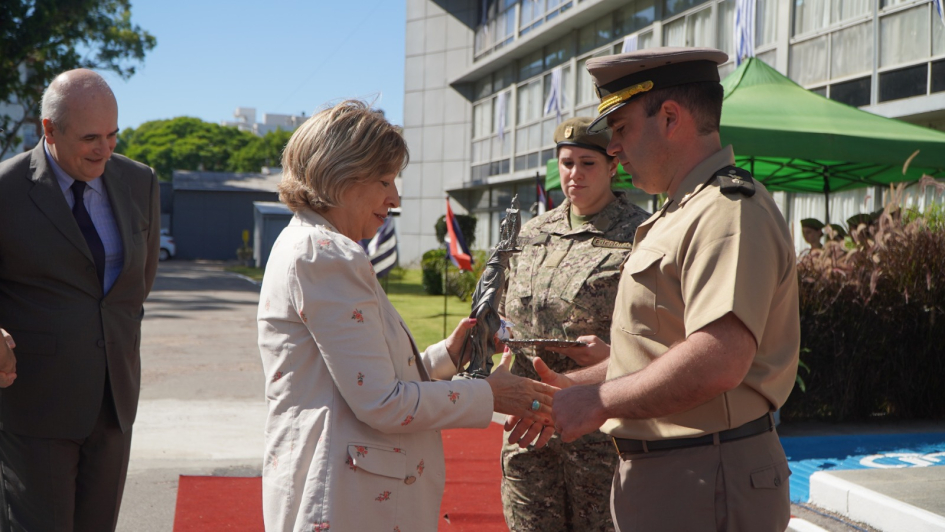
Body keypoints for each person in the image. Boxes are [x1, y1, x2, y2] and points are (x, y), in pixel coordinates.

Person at [257, 100, 558, 531]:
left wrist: (445, 357)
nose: (394, 199)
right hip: (347, 502)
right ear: (342, 175)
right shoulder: (326, 253)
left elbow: (358, 376)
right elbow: (382, 403)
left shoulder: (314, 245)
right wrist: (491, 394)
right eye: (384, 180)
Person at [532, 47, 800, 531]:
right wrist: (563, 392)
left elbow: (719, 356)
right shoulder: (680, 212)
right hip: (680, 475)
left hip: (704, 475)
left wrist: (597, 401)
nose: (613, 148)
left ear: (670, 117)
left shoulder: (728, 209)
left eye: (621, 129)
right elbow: (658, 352)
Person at [0, 69, 161, 531]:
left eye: (113, 135)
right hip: (36, 406)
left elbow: (136, 284)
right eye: (91, 137)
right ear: (48, 129)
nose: (105, 149)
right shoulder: (6, 189)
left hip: (114, 403)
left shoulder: (139, 181)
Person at [498, 116, 649, 531]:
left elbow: (658, 329)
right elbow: (504, 307)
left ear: (612, 166)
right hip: (527, 423)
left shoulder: (640, 233)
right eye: (567, 163)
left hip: (599, 428)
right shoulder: (532, 232)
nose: (574, 175)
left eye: (588, 164)